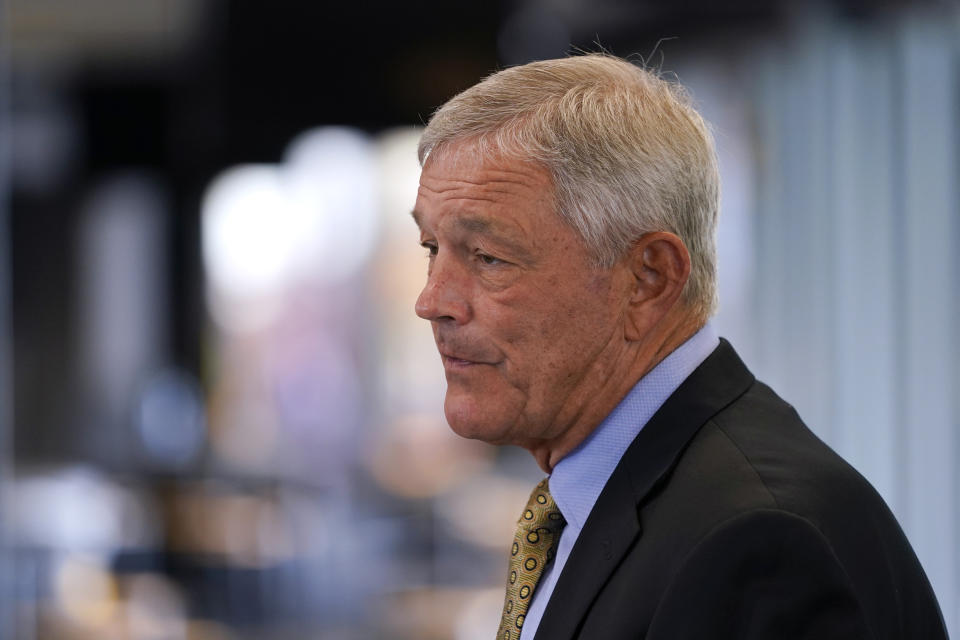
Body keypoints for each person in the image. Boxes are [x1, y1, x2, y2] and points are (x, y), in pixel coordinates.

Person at [411, 53, 947, 640]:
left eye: (488, 257)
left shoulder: (759, 544)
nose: (432, 300)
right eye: (432, 247)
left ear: (648, 279)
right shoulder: (620, 496)